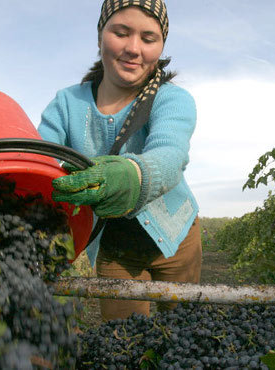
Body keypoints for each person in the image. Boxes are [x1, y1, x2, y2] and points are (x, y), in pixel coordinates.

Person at [38, 0, 201, 321]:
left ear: (161, 46)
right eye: (121, 33)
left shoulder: (172, 99)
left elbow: (170, 155)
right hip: (115, 246)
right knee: (124, 339)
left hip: (176, 236)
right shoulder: (67, 103)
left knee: (185, 329)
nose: (133, 48)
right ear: (101, 36)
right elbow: (40, 160)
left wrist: (133, 176)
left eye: (148, 38)